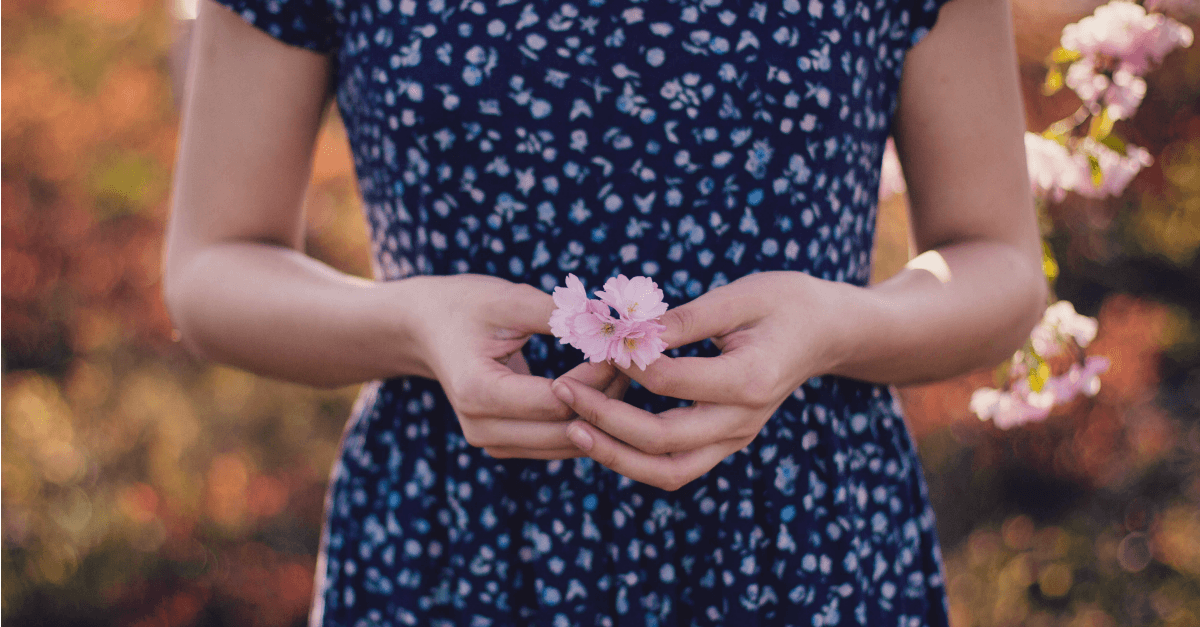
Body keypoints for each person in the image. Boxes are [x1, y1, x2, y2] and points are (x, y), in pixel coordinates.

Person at [163, 0, 1045, 623]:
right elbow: (213, 265)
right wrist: (411, 323)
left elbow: (998, 262)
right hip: (451, 541)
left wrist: (840, 325)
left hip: (799, 541)